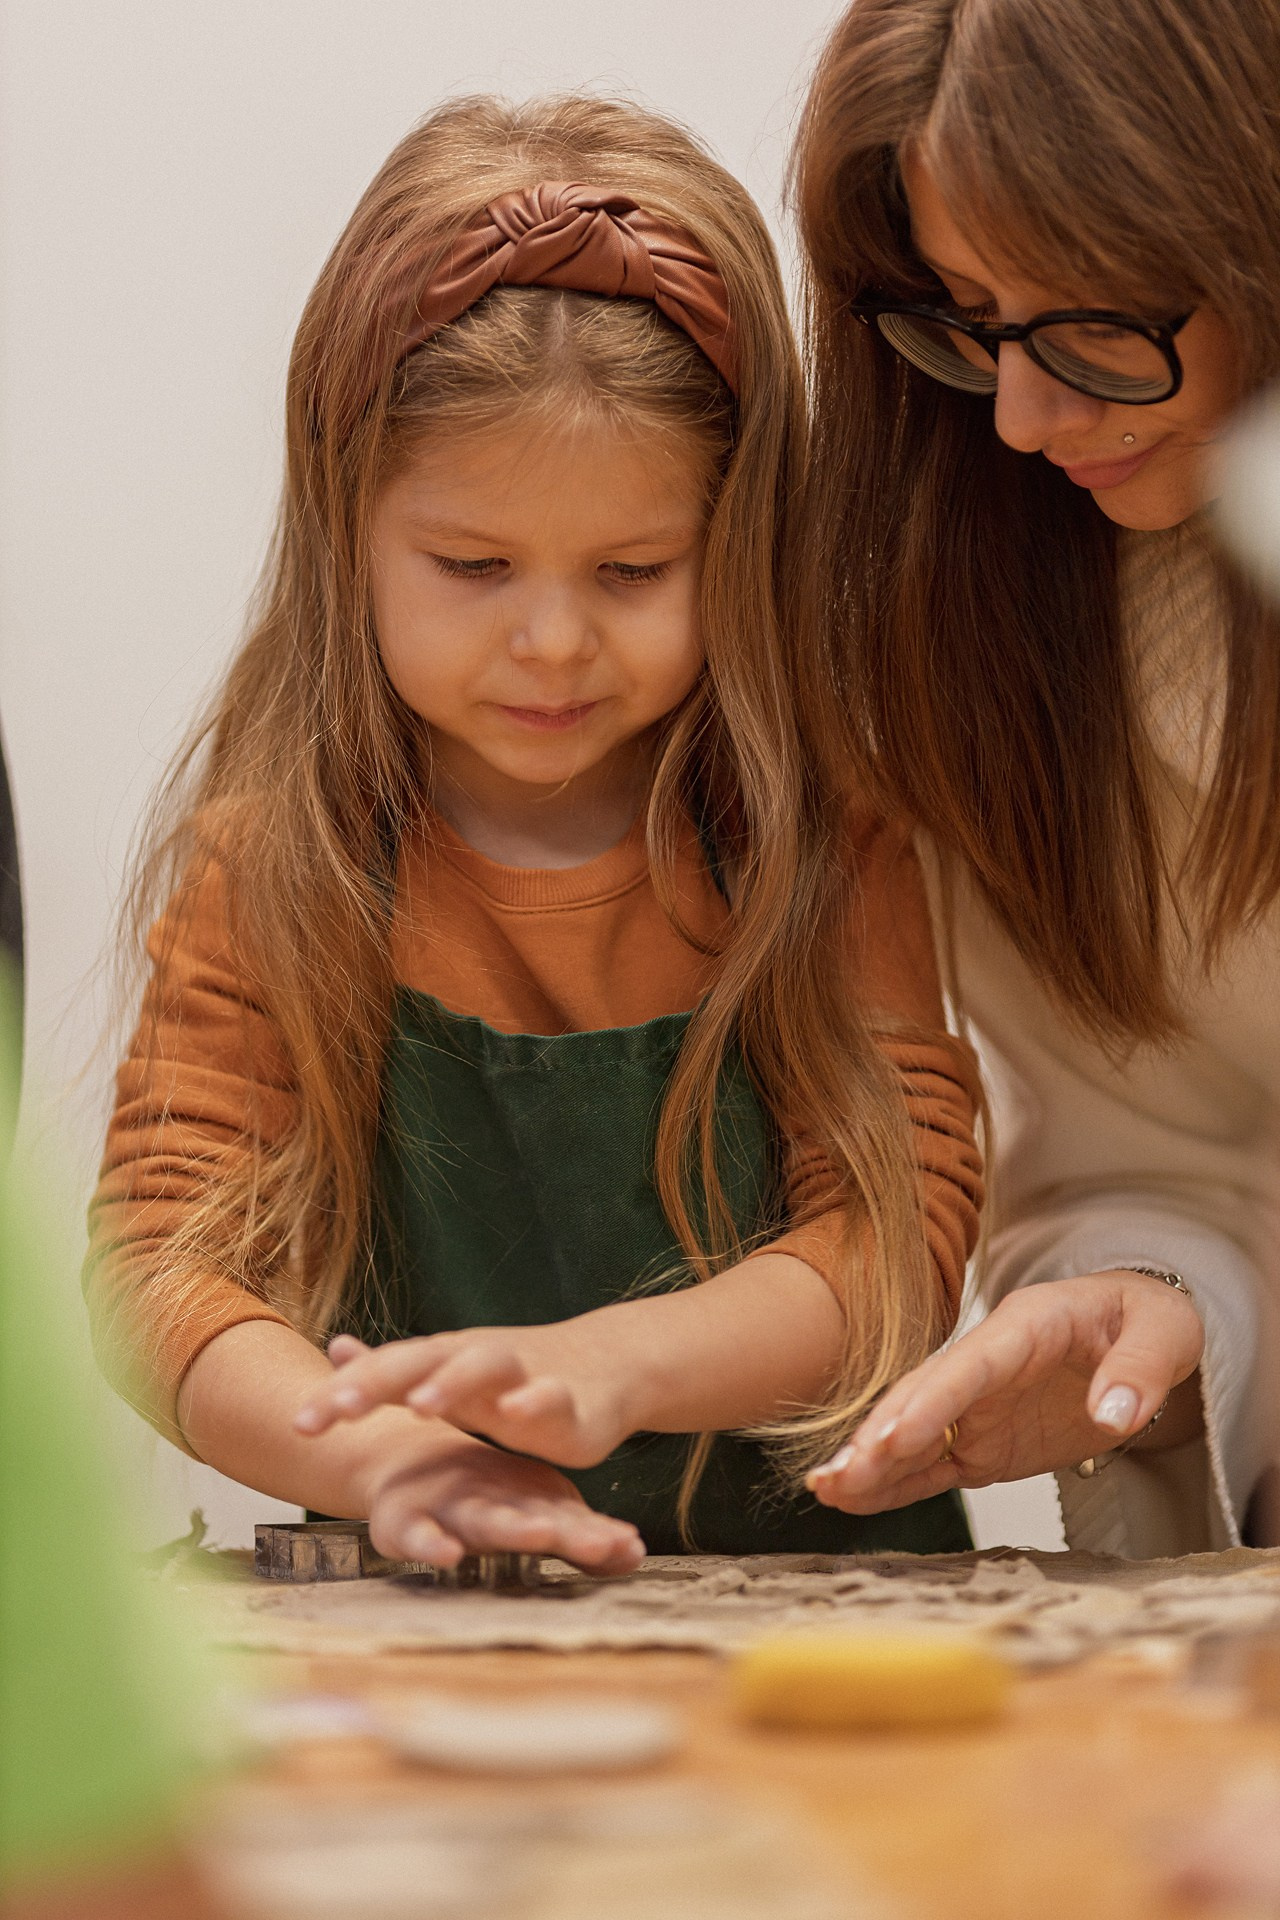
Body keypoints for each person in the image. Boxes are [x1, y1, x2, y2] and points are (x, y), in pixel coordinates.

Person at [87, 96, 983, 1570]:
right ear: (345, 525)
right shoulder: (277, 872)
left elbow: (895, 1247)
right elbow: (158, 1273)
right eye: (474, 564)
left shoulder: (822, 852)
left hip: (831, 1625)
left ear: (739, 539)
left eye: (633, 569)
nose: (553, 641)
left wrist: (614, 1368)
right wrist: (389, 1457)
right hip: (433, 1621)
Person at [792, 0, 1280, 1555]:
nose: (1019, 415)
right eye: (974, 318)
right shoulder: (1001, 643)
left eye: (1090, 322)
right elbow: (1151, 1157)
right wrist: (1139, 1303)